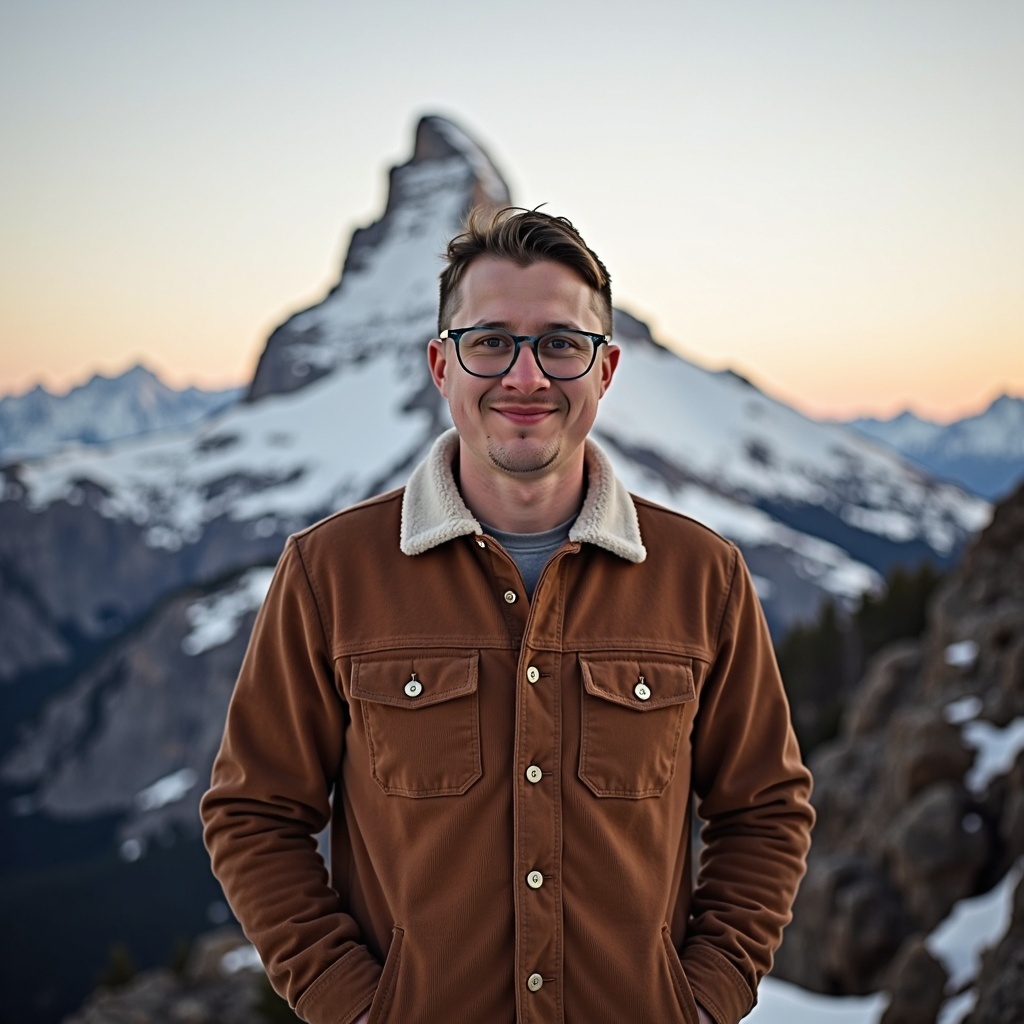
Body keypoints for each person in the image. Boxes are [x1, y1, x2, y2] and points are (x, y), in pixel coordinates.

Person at [201, 207, 814, 1024]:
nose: (526, 378)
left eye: (561, 343)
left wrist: (706, 996)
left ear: (606, 369)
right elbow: (253, 813)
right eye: (490, 341)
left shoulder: (704, 576)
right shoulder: (330, 572)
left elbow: (764, 809)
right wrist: (348, 1004)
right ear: (440, 365)